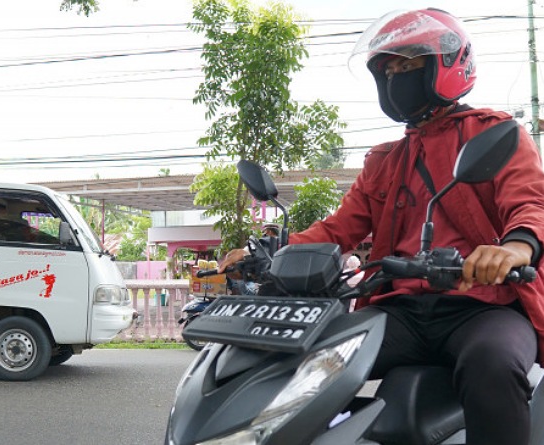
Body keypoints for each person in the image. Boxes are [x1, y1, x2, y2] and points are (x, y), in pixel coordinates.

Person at [218, 9, 544, 445]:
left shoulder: (494, 133)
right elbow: (338, 229)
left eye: (407, 65)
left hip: (483, 306)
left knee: (494, 363)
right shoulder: (386, 160)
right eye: (387, 69)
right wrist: (269, 256)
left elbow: (530, 203)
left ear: (446, 66)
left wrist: (516, 249)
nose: (395, 78)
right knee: (304, 359)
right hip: (399, 311)